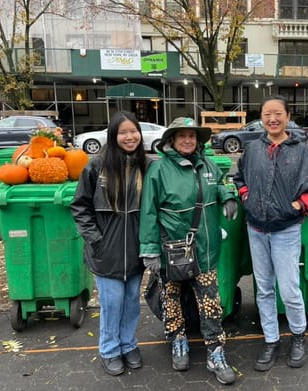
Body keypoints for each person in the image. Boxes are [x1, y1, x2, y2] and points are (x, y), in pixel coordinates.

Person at [233, 95, 308, 371]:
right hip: (256, 229)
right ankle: (271, 339)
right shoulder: (253, 150)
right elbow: (238, 177)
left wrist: (299, 204)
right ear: (261, 119)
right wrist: (245, 197)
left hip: (286, 230)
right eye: (267, 115)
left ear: (287, 116)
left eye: (277, 114)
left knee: (289, 288)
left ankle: (298, 336)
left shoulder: (301, 153)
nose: (272, 119)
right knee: (263, 288)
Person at [138, 117, 238, 385]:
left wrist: (227, 196)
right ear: (171, 139)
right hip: (172, 248)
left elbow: (220, 183)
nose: (187, 140)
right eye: (181, 135)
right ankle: (178, 339)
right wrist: (150, 251)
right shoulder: (158, 171)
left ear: (198, 140)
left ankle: (215, 352)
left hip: (205, 249)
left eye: (192, 136)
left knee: (210, 302)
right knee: (171, 296)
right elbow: (148, 212)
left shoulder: (207, 164)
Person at [71, 111, 152, 376]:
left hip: (136, 251)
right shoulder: (97, 166)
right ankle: (109, 349)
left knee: (130, 301)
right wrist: (96, 239)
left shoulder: (147, 166)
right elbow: (80, 207)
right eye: (123, 132)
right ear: (113, 136)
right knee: (112, 302)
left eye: (134, 131)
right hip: (106, 252)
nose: (130, 137)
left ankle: (128, 344)